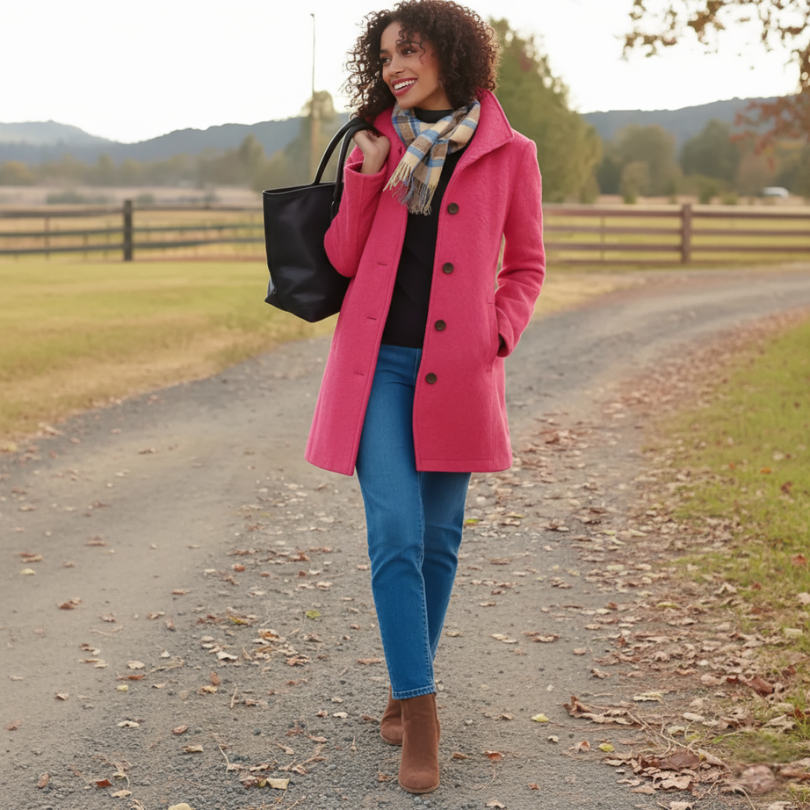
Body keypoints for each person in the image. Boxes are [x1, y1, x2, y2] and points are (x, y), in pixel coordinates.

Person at [305, 0, 545, 794]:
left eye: (407, 50)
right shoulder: (375, 142)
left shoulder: (511, 153)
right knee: (396, 534)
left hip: (460, 372)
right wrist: (365, 176)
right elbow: (342, 258)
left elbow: (526, 265)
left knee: (439, 542)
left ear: (447, 52)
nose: (394, 67)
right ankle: (423, 714)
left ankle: (405, 682)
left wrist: (497, 333)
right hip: (377, 369)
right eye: (384, 57)